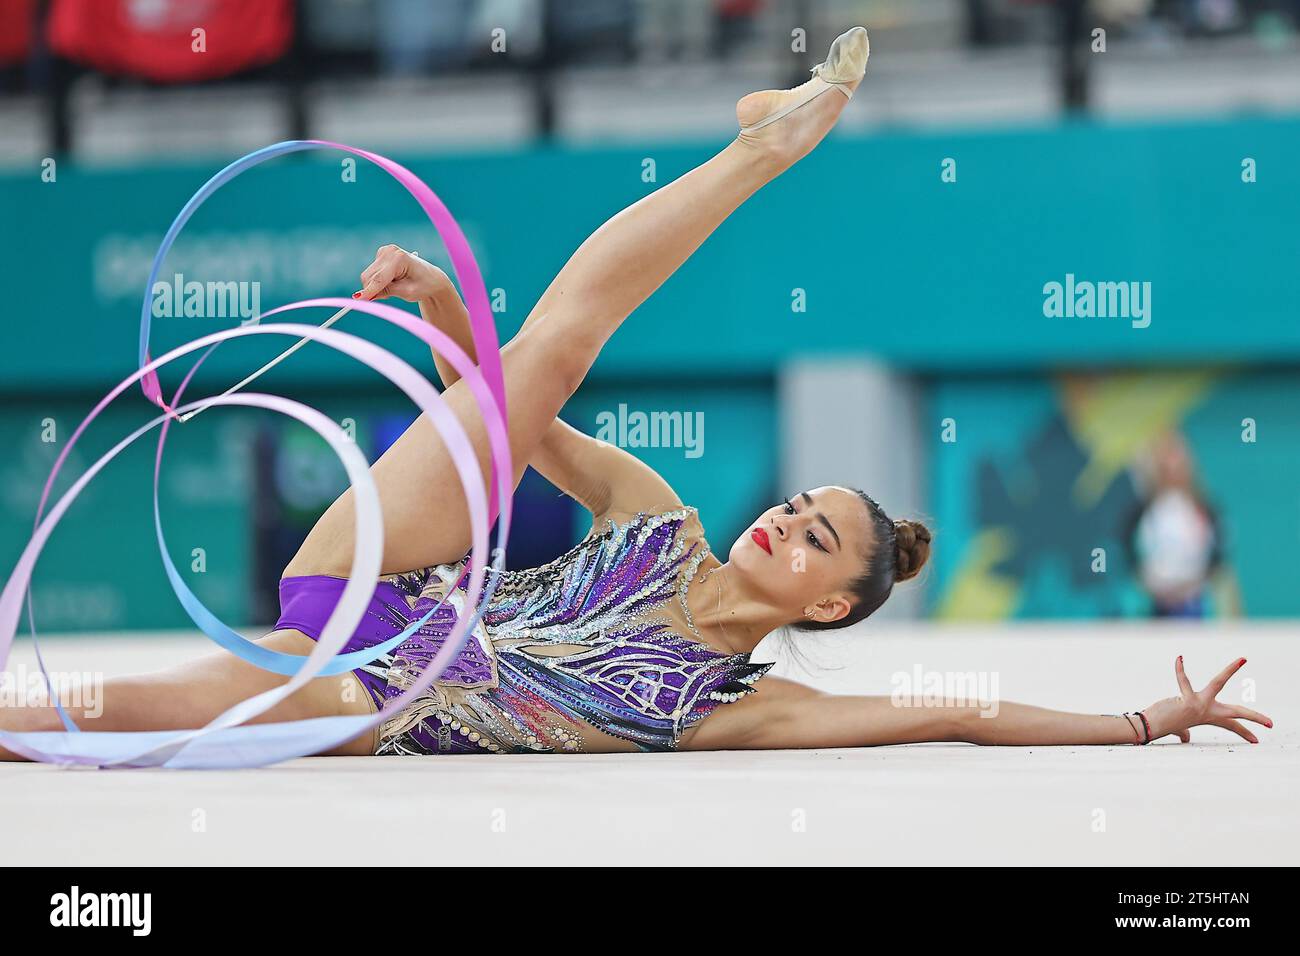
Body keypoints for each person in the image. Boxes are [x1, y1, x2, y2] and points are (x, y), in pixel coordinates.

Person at [0, 28, 1270, 760]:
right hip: (381, 587)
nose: (780, 518)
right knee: (558, 345)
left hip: (368, 691)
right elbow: (514, 416)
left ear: (828, 601)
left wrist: (1138, 720)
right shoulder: (658, 516)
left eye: (812, 536)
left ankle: (761, 147)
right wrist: (446, 314)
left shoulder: (750, 707)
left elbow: (956, 712)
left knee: (105, 722)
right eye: (796, 503)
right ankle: (760, 146)